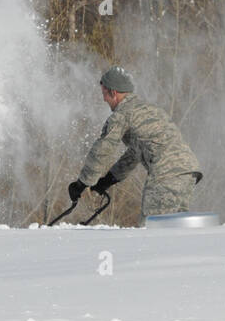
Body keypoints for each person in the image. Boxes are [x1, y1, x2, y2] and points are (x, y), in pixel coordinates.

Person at [68, 66, 202, 218]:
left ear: (113, 92)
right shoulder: (150, 110)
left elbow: (103, 149)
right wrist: (108, 180)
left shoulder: (122, 115)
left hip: (166, 174)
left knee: (153, 229)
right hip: (188, 172)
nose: (104, 99)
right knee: (173, 228)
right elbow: (134, 154)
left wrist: (83, 183)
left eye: (104, 94)